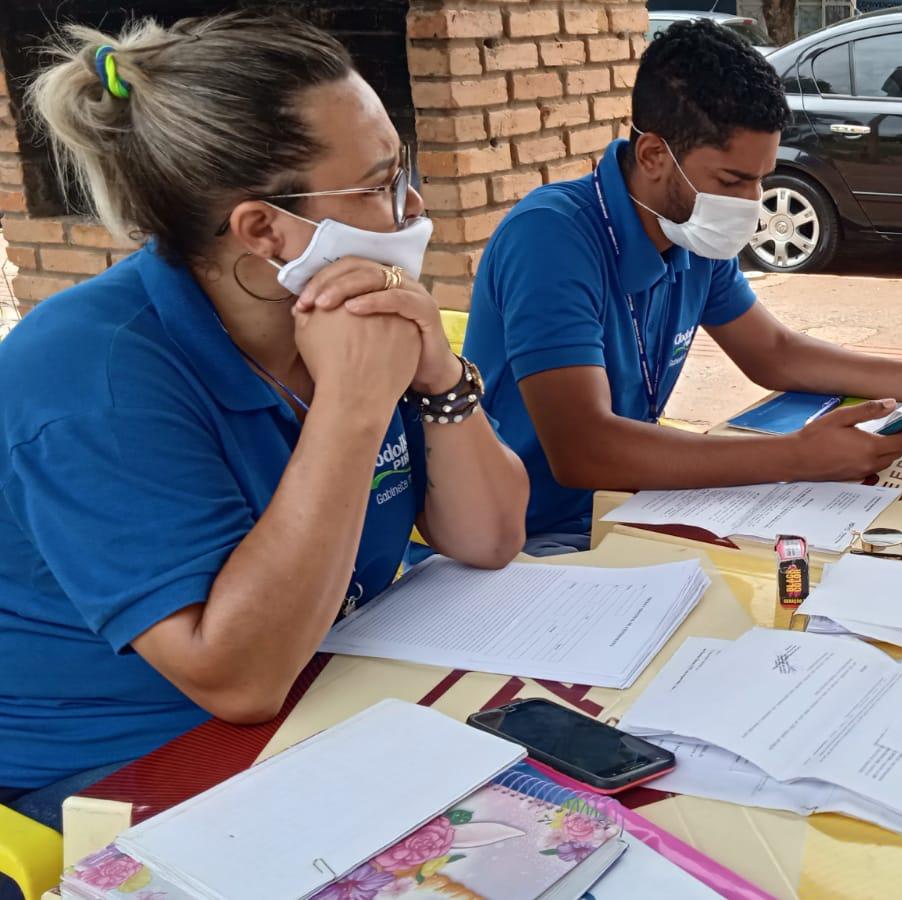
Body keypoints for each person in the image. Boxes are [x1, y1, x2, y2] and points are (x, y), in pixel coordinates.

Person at [0, 13, 528, 835]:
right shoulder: (88, 377)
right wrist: (352, 408)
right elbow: (237, 682)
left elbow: (490, 538)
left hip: (338, 687)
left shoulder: (347, 312)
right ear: (264, 230)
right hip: (128, 765)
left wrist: (439, 379)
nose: (412, 202)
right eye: (380, 182)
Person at [464, 20, 902, 554]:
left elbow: (773, 352)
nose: (753, 201)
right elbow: (584, 449)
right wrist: (796, 457)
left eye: (761, 177)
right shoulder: (550, 237)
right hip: (524, 539)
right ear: (655, 155)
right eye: (732, 181)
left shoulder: (688, 232)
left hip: (631, 508)